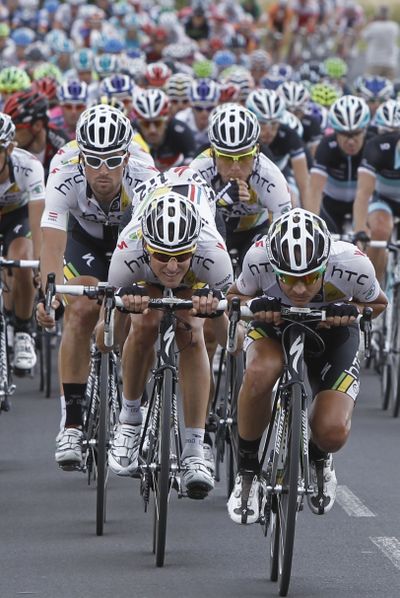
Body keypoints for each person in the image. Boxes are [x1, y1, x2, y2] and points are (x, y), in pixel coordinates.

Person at [226, 208, 387, 523]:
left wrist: (350, 308)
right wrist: (256, 305)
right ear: (274, 267)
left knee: (333, 431)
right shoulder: (258, 258)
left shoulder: (353, 264)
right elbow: (234, 298)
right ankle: (247, 470)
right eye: (288, 279)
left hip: (333, 331)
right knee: (259, 374)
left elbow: (378, 304)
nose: (299, 290)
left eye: (310, 277)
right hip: (273, 326)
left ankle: (318, 456)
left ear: (326, 265)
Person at [35, 104, 157, 468]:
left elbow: (152, 244)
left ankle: (138, 396)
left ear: (126, 157)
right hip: (84, 242)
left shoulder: (145, 173)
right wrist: (50, 297)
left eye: (112, 161)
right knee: (82, 309)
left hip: (133, 242)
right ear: (81, 157)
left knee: (140, 316)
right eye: (93, 160)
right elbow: (52, 241)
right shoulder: (62, 169)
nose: (103, 171)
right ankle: (71, 422)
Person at [105, 187, 233, 499]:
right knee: (145, 323)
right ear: (147, 247)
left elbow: (229, 338)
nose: (172, 267)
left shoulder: (213, 255)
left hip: (199, 255)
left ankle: (193, 450)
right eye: (162, 257)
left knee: (191, 330)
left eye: (181, 257)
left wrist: (211, 306)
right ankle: (130, 420)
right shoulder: (128, 251)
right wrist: (125, 305)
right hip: (142, 261)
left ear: (194, 249)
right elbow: (110, 337)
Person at [0, 112, 45, 372]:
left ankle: (23, 330)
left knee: (23, 261)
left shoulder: (29, 166)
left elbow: (38, 218)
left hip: (18, 215)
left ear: (10, 148)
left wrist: (40, 262)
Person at [307, 95, 371, 232]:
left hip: (364, 204)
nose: (351, 141)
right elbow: (314, 190)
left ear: (364, 130)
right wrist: (310, 224)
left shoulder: (372, 145)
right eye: (344, 134)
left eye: (356, 134)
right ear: (335, 132)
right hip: (332, 204)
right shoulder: (326, 145)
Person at [353, 99, 400, 284]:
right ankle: (373, 286)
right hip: (384, 199)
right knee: (380, 229)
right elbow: (363, 193)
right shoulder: (377, 146)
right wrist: (360, 229)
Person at [246, 89, 310, 209]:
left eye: (274, 124)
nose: (268, 132)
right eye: (262, 123)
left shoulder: (289, 135)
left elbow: (304, 182)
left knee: (292, 200)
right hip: (249, 174)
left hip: (280, 172)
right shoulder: (244, 135)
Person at [3, 90, 69, 179]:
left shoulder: (62, 145)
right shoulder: (7, 146)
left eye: (16, 128)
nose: (9, 134)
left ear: (37, 125)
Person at [132, 88, 197, 171]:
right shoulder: (131, 131)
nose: (152, 130)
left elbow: (193, 167)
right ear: (138, 123)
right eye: (146, 124)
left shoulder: (180, 130)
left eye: (158, 123)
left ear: (167, 120)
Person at [361, 5, 399, 80]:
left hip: (374, 61)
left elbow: (363, 36)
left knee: (370, 86)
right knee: (389, 87)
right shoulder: (394, 26)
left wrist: (370, 22)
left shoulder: (373, 26)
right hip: (390, 61)